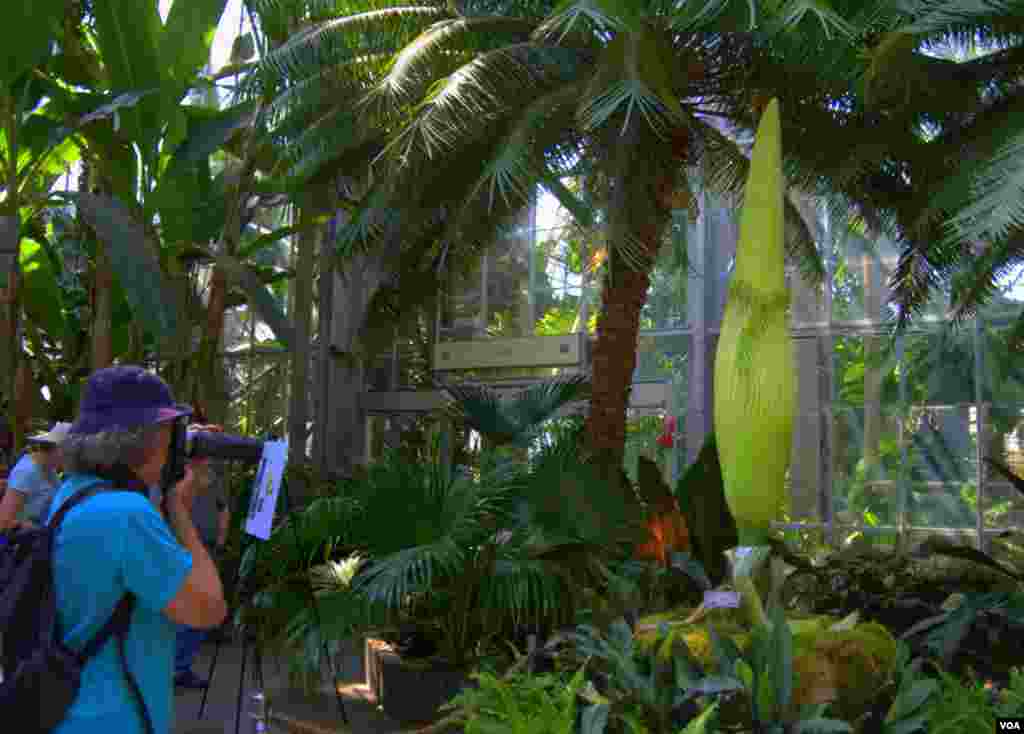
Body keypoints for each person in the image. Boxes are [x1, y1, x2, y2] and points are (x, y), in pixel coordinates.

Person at [46, 365, 227, 734]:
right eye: (168, 431)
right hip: (114, 720)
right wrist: (178, 509)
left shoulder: (73, 495)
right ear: (146, 439)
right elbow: (208, 609)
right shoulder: (126, 514)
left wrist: (175, 496)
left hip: (69, 711)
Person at [172, 414, 232, 690]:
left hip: (206, 546)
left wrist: (221, 539)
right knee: (189, 608)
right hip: (183, 547)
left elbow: (223, 509)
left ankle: (180, 666)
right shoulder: (175, 476)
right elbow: (176, 506)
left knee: (201, 609)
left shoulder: (213, 477)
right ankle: (176, 667)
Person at [0, 422, 70, 532]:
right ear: (57, 449)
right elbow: (4, 522)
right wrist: (40, 530)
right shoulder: (26, 472)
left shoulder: (49, 468)